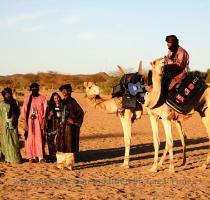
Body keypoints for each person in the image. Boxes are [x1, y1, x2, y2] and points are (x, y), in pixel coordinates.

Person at [56, 83, 84, 170]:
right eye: (62, 91)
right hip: (61, 127)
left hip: (69, 128)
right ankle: (60, 164)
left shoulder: (73, 102)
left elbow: (81, 113)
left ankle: (69, 165)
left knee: (69, 145)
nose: (63, 92)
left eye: (65, 90)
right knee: (60, 145)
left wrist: (74, 121)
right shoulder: (61, 102)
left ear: (69, 91)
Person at [22, 83, 47, 163]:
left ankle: (40, 157)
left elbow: (45, 110)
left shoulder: (42, 98)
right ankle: (31, 157)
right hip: (29, 122)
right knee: (30, 139)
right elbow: (24, 111)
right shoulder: (27, 99)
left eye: (36, 88)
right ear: (31, 89)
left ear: (38, 89)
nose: (34, 89)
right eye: (33, 88)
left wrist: (44, 121)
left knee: (39, 138)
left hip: (39, 122)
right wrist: (25, 123)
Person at [0, 87, 21, 163]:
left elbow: (18, 112)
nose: (7, 95)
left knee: (14, 141)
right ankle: (6, 158)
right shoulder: (1, 104)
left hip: (14, 125)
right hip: (4, 126)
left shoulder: (15, 102)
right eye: (6, 94)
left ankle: (15, 159)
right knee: (5, 142)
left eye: (8, 93)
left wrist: (13, 120)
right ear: (3, 95)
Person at [46, 92, 62, 162]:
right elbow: (47, 118)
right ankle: (52, 156)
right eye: (55, 98)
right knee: (50, 141)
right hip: (51, 126)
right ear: (53, 99)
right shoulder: (50, 107)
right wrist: (50, 115)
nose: (57, 99)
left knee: (58, 141)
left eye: (58, 98)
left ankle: (58, 156)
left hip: (60, 126)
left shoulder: (62, 105)